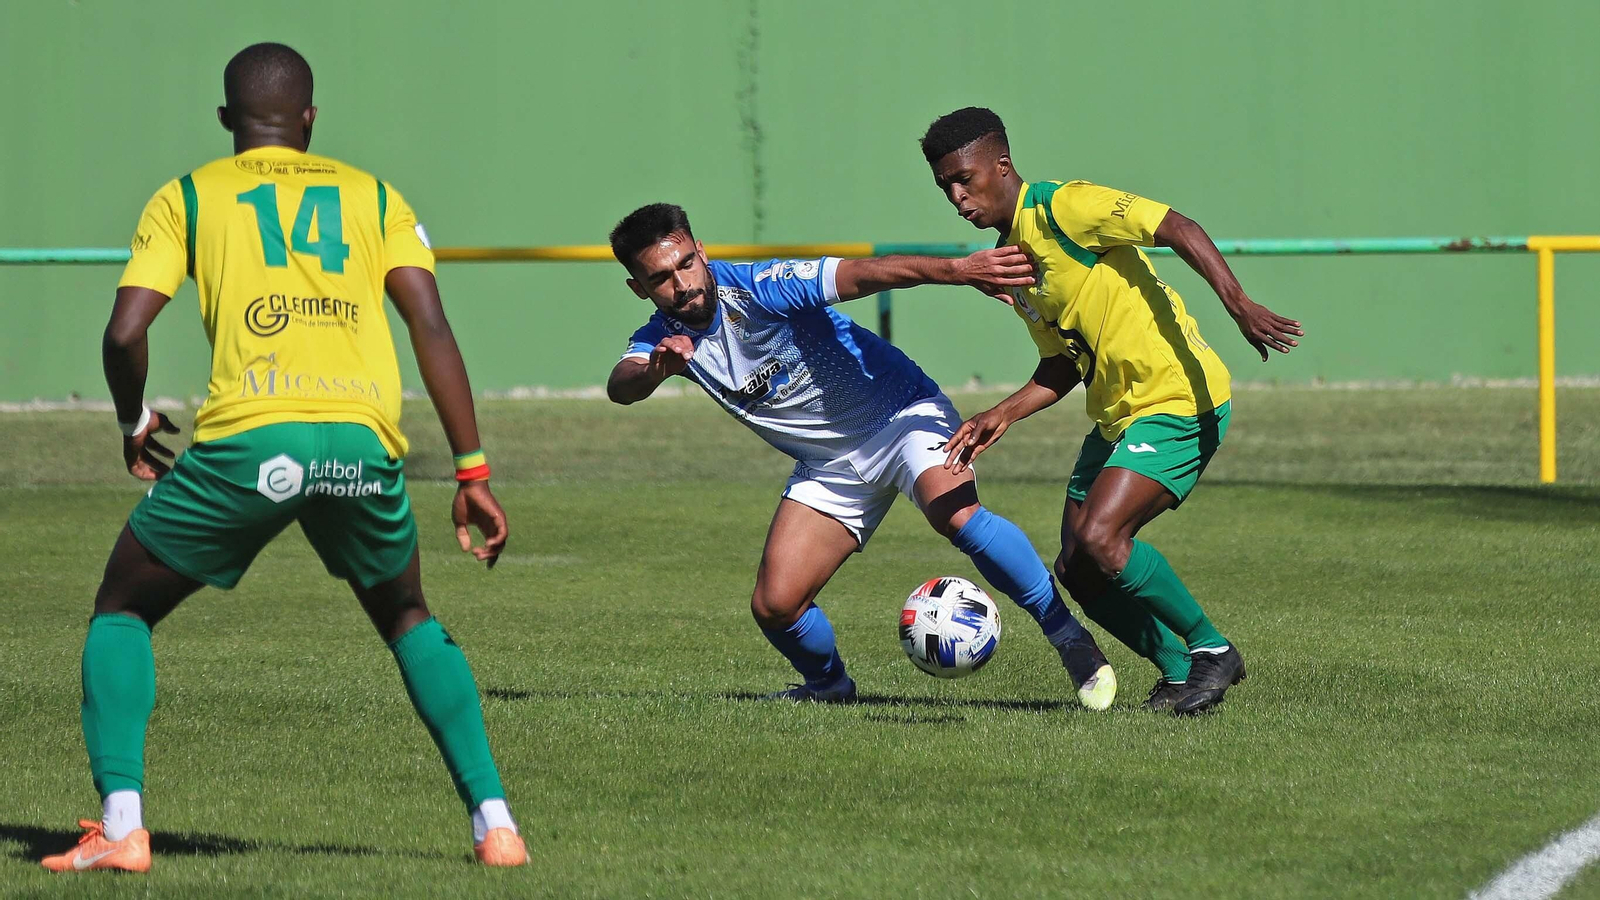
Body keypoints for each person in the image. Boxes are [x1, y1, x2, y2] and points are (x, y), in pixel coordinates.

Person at [42, 43, 524, 872]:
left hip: (251, 442)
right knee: (407, 615)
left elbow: (125, 332)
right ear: (310, 119)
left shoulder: (188, 195)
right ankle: (496, 826)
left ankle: (121, 831)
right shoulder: (374, 195)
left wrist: (132, 419)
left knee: (122, 606)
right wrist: (472, 470)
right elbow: (431, 328)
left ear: (228, 120)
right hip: (361, 443)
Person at [606, 202, 1116, 708]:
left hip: (900, 418)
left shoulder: (762, 287)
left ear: (701, 251)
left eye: (686, 264)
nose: (682, 284)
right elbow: (621, 386)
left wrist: (958, 270)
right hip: (829, 467)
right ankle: (829, 686)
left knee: (956, 515)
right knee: (776, 605)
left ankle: (1069, 637)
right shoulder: (661, 340)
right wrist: (656, 369)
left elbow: (867, 273)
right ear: (639, 289)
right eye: (661, 279)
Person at [920, 107, 1304, 715]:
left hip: (1178, 398)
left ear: (1002, 165)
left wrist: (1238, 304)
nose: (957, 196)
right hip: (1116, 417)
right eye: (945, 186)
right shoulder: (1012, 265)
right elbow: (1065, 365)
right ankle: (1181, 673)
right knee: (1077, 567)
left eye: (965, 178)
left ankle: (1212, 650)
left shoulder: (1063, 208)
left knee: (1102, 536)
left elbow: (1177, 225)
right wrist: (1004, 412)